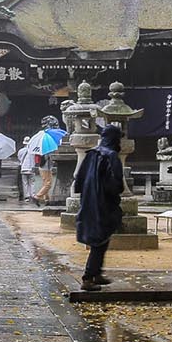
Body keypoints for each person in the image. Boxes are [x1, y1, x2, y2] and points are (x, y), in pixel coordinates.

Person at [74, 123, 126, 291]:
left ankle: (96, 273)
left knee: (101, 240)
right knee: (99, 240)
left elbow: (79, 179)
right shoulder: (110, 156)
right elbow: (116, 184)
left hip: (89, 201)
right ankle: (88, 277)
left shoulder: (91, 154)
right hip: (104, 203)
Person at [16, 138, 37, 204]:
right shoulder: (33, 151)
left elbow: (19, 159)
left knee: (25, 183)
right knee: (32, 183)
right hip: (31, 168)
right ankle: (32, 195)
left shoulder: (21, 151)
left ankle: (26, 197)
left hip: (24, 168)